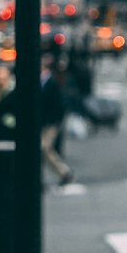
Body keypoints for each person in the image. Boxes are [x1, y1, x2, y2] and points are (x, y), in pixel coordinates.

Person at [40, 57, 74, 186]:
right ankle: (62, 173)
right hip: (44, 122)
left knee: (43, 148)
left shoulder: (51, 82)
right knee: (43, 149)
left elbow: (60, 103)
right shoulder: (43, 81)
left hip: (51, 123)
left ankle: (64, 172)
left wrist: (55, 120)